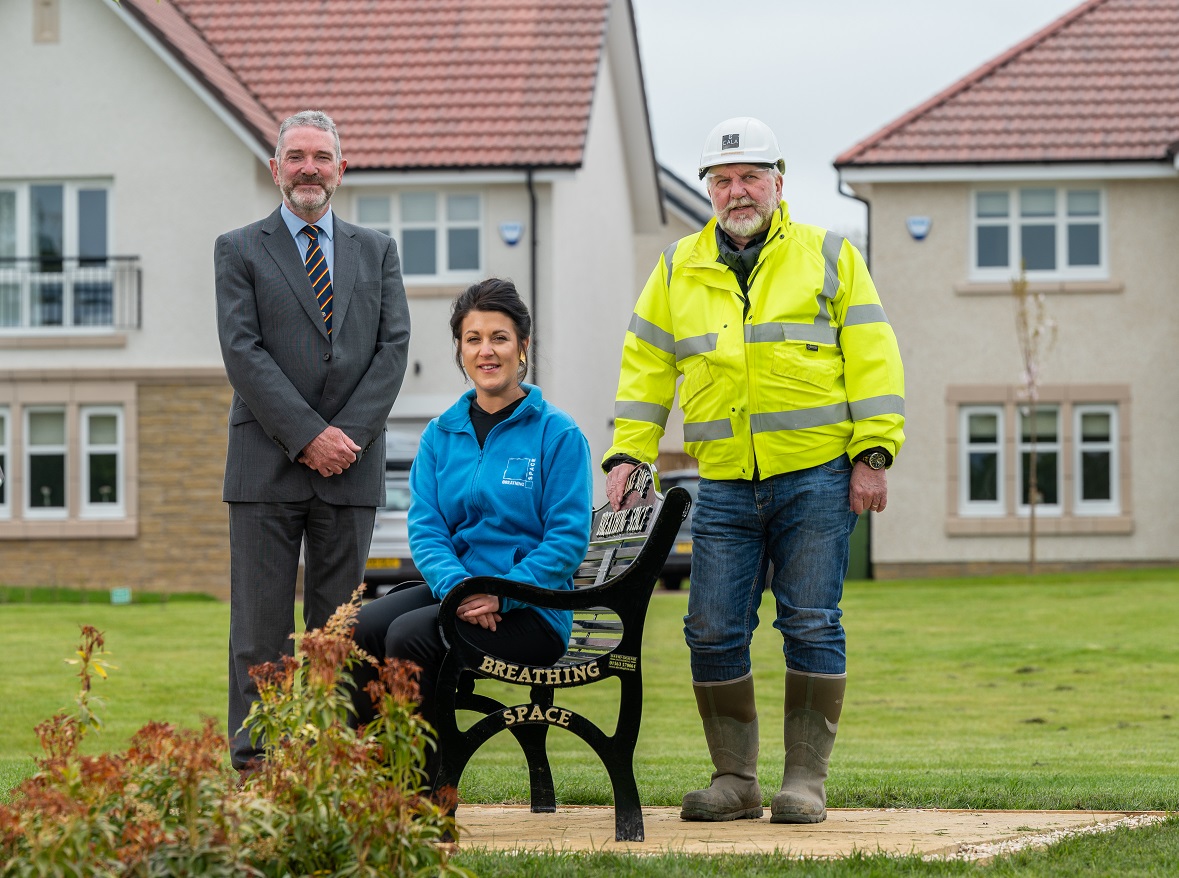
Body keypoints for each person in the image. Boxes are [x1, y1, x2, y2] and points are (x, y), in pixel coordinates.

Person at [603, 117, 905, 824]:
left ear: (777, 182)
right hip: (726, 482)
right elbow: (646, 365)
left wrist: (873, 452)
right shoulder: (678, 266)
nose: (736, 192)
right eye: (722, 181)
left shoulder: (828, 255)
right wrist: (628, 453)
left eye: (749, 178)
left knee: (810, 621)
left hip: (816, 478)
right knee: (709, 628)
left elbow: (872, 357)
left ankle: (803, 782)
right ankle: (734, 780)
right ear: (709, 190)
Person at [215, 109, 410, 770]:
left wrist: (344, 437)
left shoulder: (377, 249)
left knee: (337, 635)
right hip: (264, 469)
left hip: (349, 470)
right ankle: (257, 767)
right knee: (259, 633)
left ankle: (329, 764)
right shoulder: (239, 249)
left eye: (320, 157)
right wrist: (306, 437)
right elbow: (243, 353)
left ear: (340, 169)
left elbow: (393, 350)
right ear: (275, 169)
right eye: (295, 156)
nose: (308, 169)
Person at [350, 278, 592, 778]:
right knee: (361, 628)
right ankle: (368, 781)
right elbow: (428, 528)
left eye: (499, 338)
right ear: (460, 350)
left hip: (534, 612)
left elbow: (567, 540)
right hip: (459, 594)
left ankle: (423, 795)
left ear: (523, 347)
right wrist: (460, 589)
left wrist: (501, 594)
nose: (487, 350)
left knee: (412, 635)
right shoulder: (441, 435)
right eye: (473, 338)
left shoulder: (558, 433)